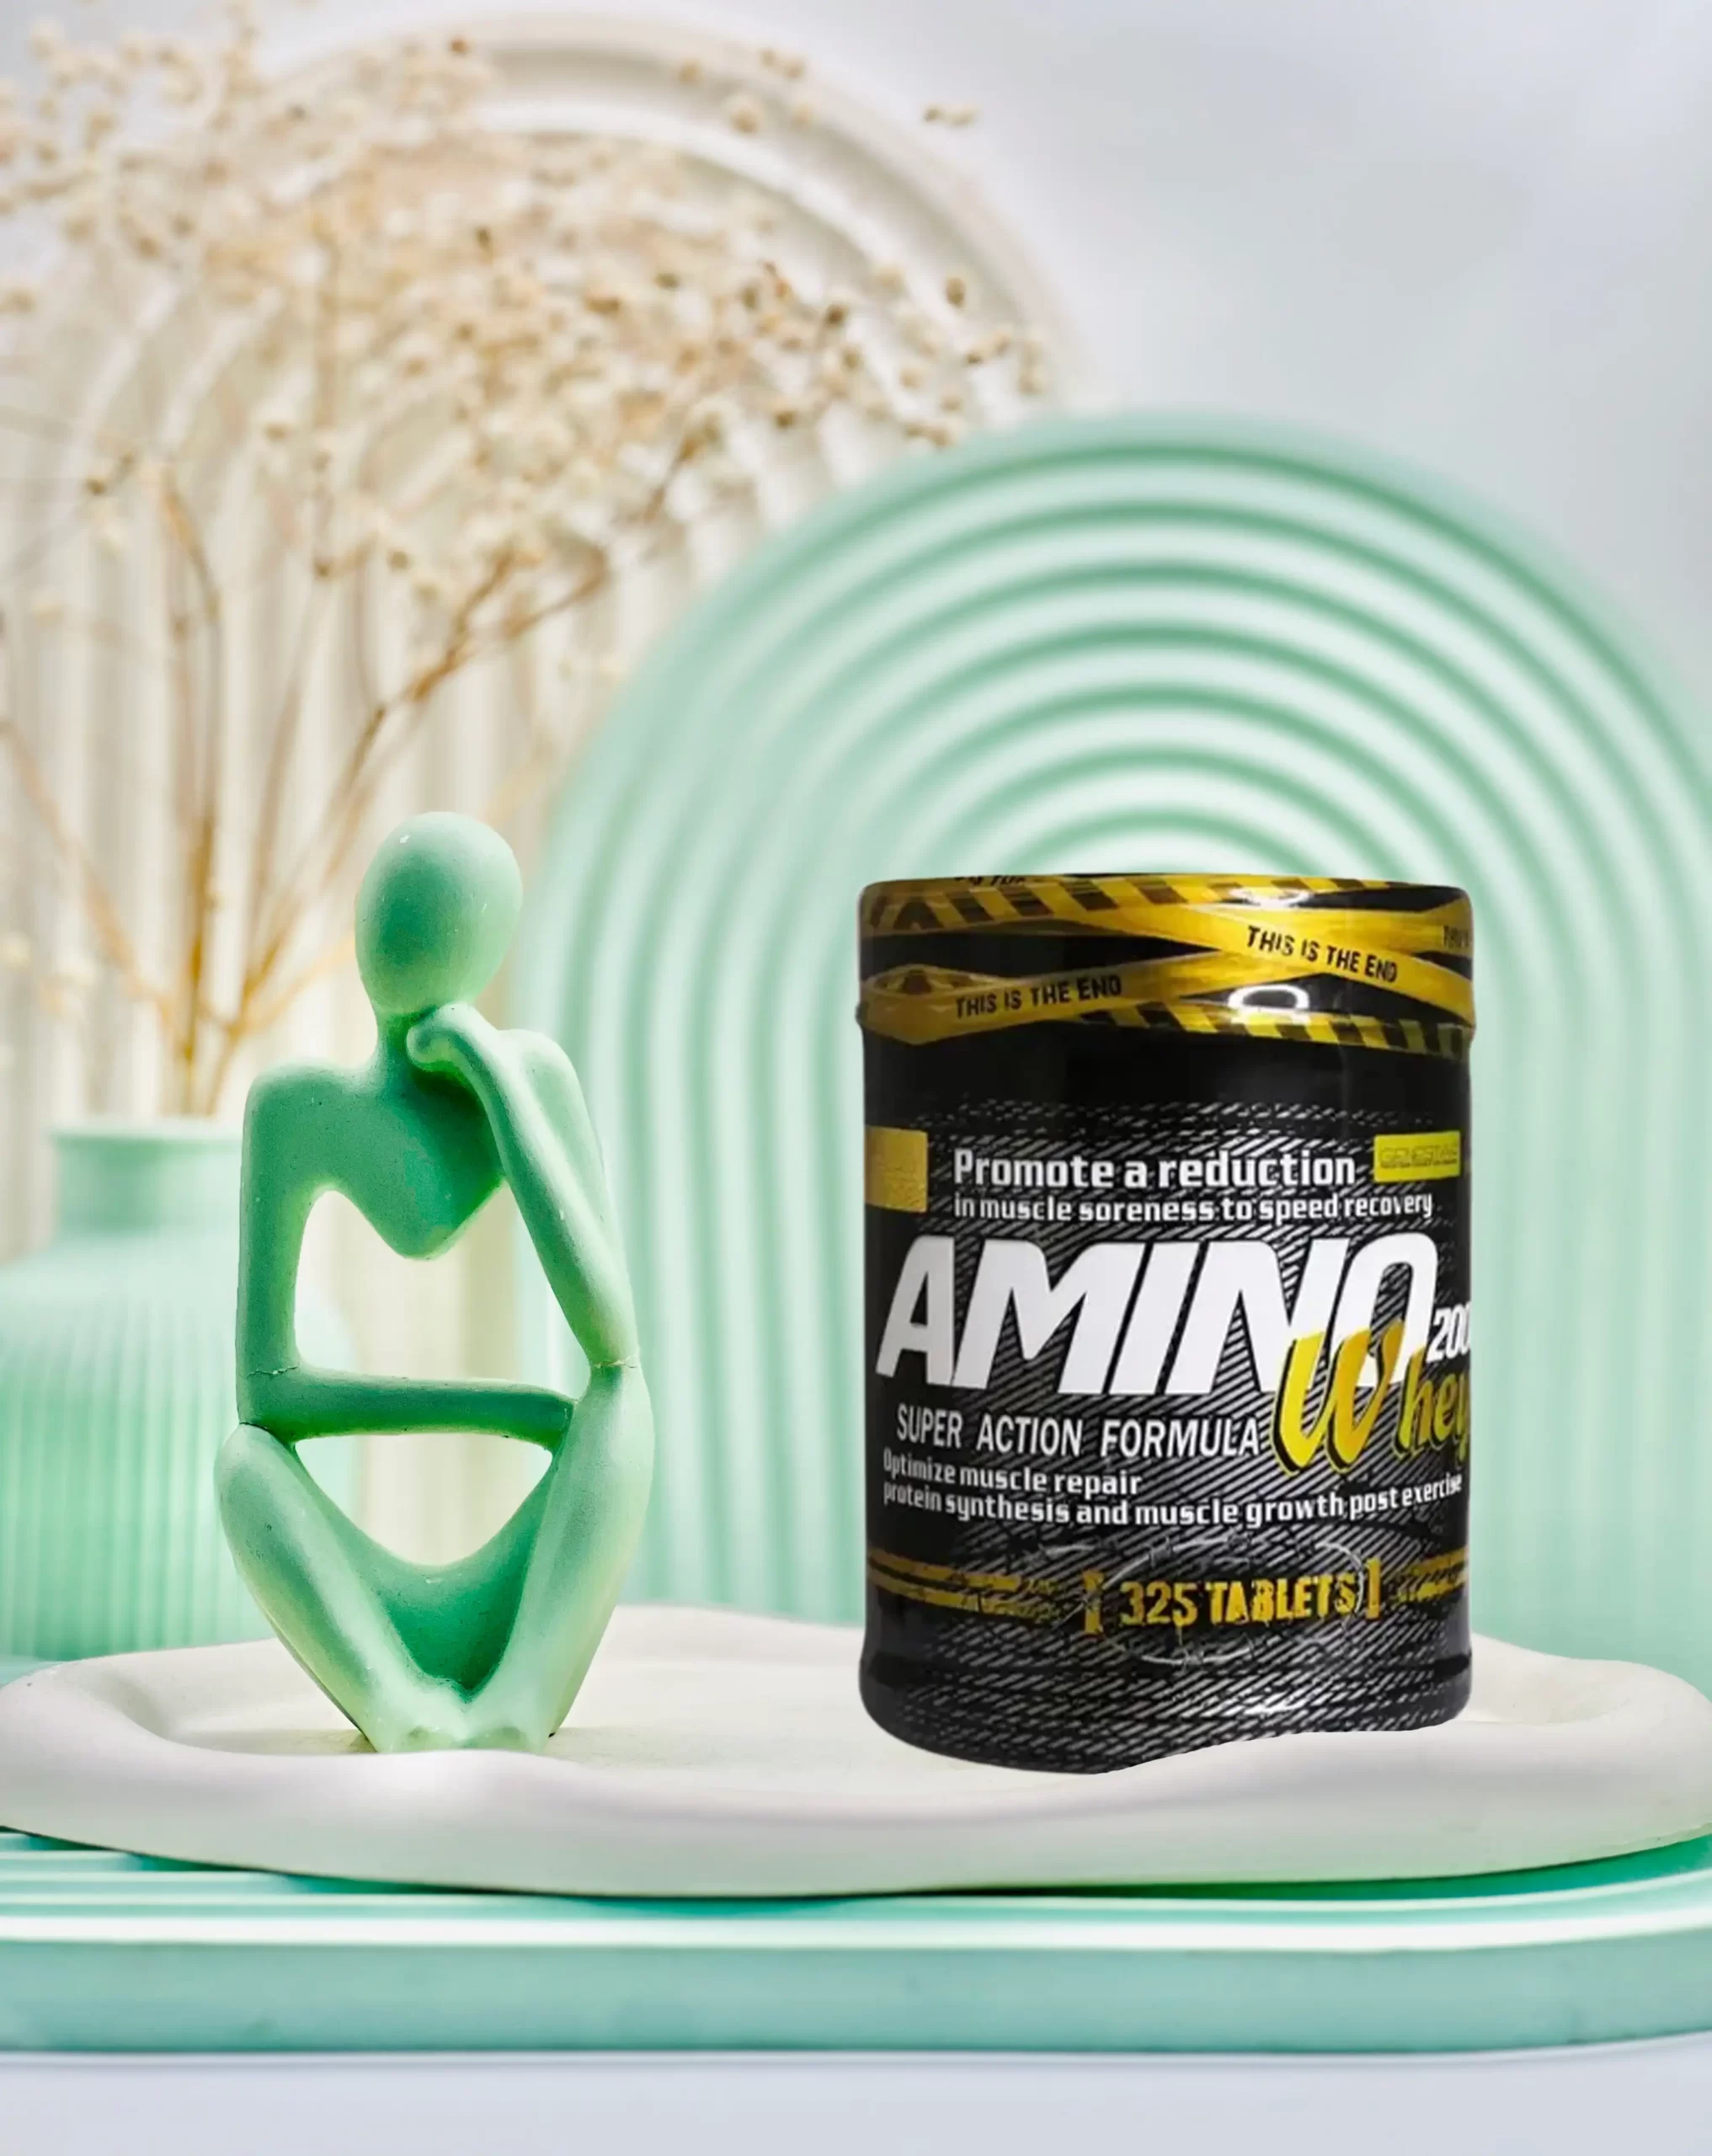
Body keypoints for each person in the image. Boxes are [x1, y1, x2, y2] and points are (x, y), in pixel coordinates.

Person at [218, 814, 653, 1752]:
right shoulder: (296, 1107)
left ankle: (525, 1692)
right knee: (244, 1462)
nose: (398, 934)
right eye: (390, 903)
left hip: (522, 1595)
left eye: (433, 914)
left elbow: (612, 1341)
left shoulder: (532, 1078)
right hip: (363, 1605)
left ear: (489, 950)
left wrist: (495, 1081)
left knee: (623, 1403)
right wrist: (509, 1410)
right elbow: (270, 1394)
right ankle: (391, 1698)